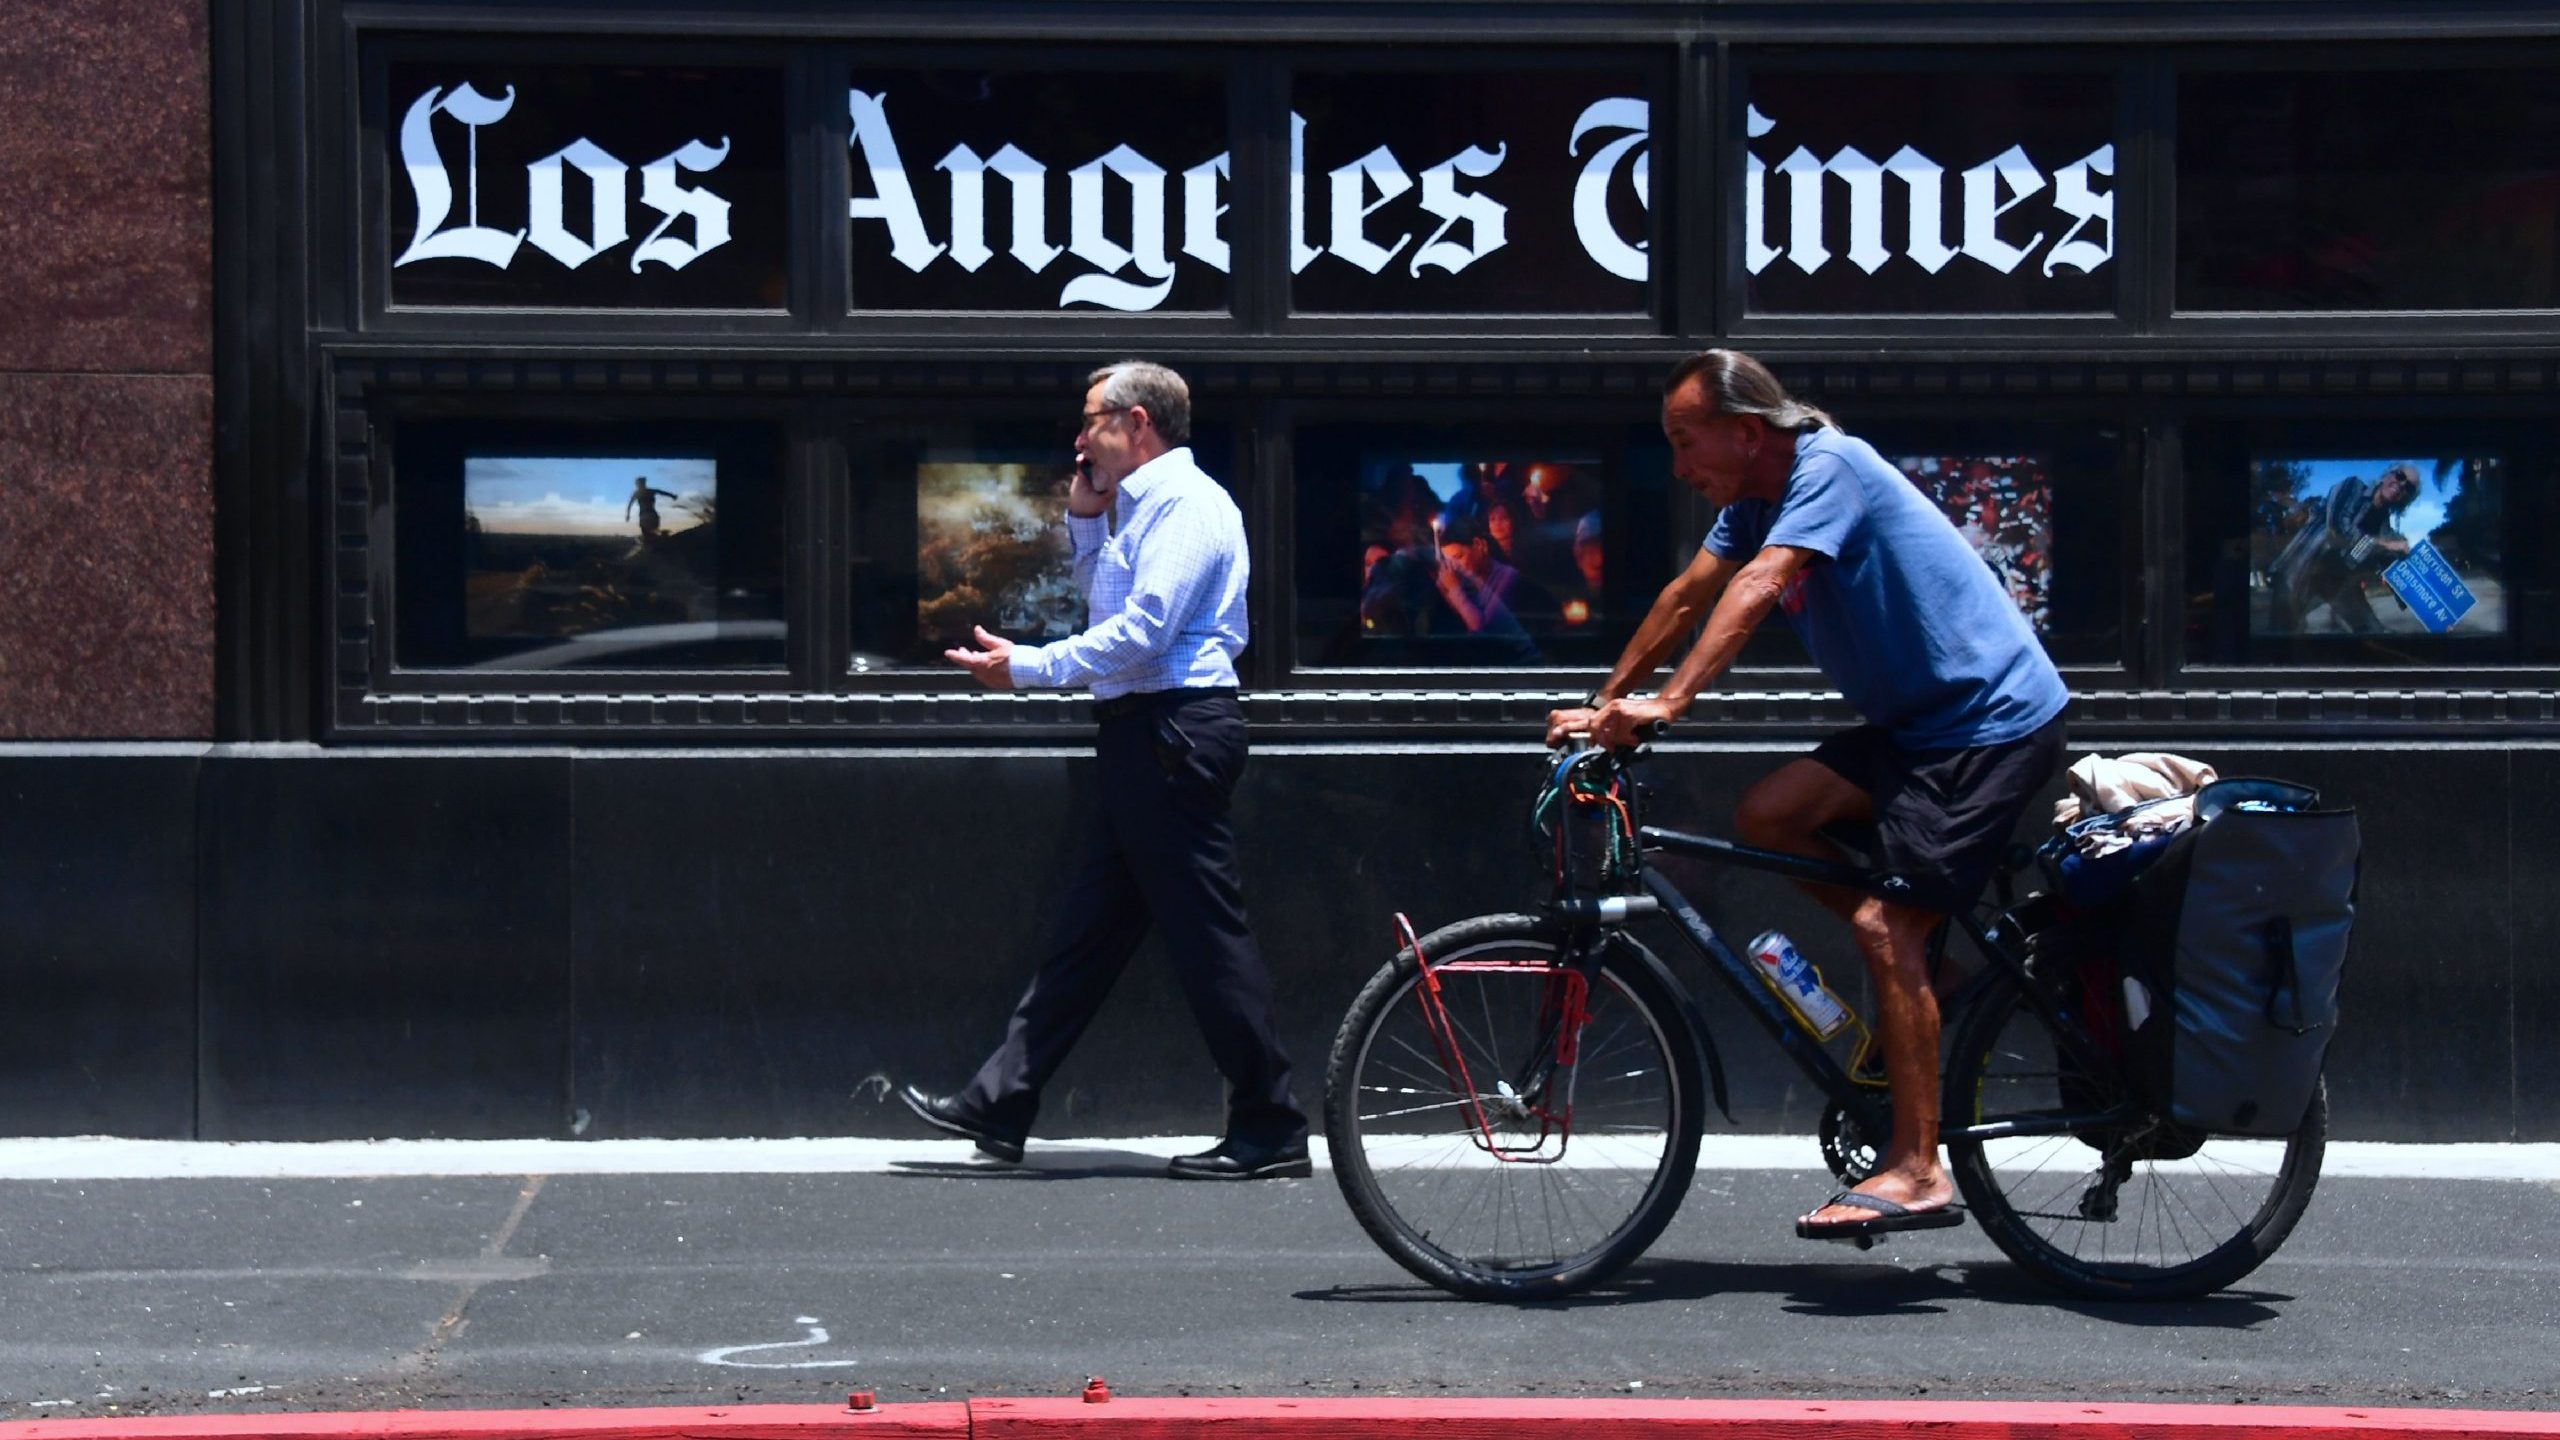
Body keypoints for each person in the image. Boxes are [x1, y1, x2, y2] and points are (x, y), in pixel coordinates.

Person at [1546, 349, 2068, 1242]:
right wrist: (1604, 706)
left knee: (1882, 930)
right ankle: (1928, 974)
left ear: (1747, 432)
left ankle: (1918, 1167)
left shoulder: (1828, 467)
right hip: (1917, 729)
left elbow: (1758, 584)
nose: (1677, 465)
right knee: (1772, 814)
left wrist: (1670, 703)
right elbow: (1686, 597)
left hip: (1987, 726)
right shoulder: (1753, 496)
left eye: (1684, 440)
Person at [901, 360, 1310, 1181]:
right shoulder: (1138, 509)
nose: (1079, 436)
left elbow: (1146, 632)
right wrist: (1087, 523)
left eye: (1091, 420)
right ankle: (1002, 1101)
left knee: (1207, 937)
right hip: (1140, 735)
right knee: (1086, 938)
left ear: (1138, 423)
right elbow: (1111, 609)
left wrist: (1028, 669)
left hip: (1174, 732)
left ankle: (1270, 1125)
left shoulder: (1190, 507)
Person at [2266, 464, 2420, 634]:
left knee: (2372, 630)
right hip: (2302, 567)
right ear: (2386, 475)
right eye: (2400, 476)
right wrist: (2385, 545)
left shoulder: (2384, 528)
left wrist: (2437, 618)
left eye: (2409, 488)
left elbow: (2396, 573)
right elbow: (2338, 531)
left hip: (2336, 579)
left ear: (2406, 498)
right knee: (2281, 635)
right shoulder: (2352, 486)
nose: (2402, 485)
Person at [625, 476, 682, 543]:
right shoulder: (649, 491)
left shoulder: (637, 493)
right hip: (652, 515)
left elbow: (630, 505)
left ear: (638, 484)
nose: (637, 485)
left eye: (637, 484)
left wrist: (628, 515)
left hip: (645, 516)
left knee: (648, 534)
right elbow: (662, 492)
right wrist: (672, 496)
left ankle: (654, 541)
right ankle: (659, 538)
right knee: (652, 532)